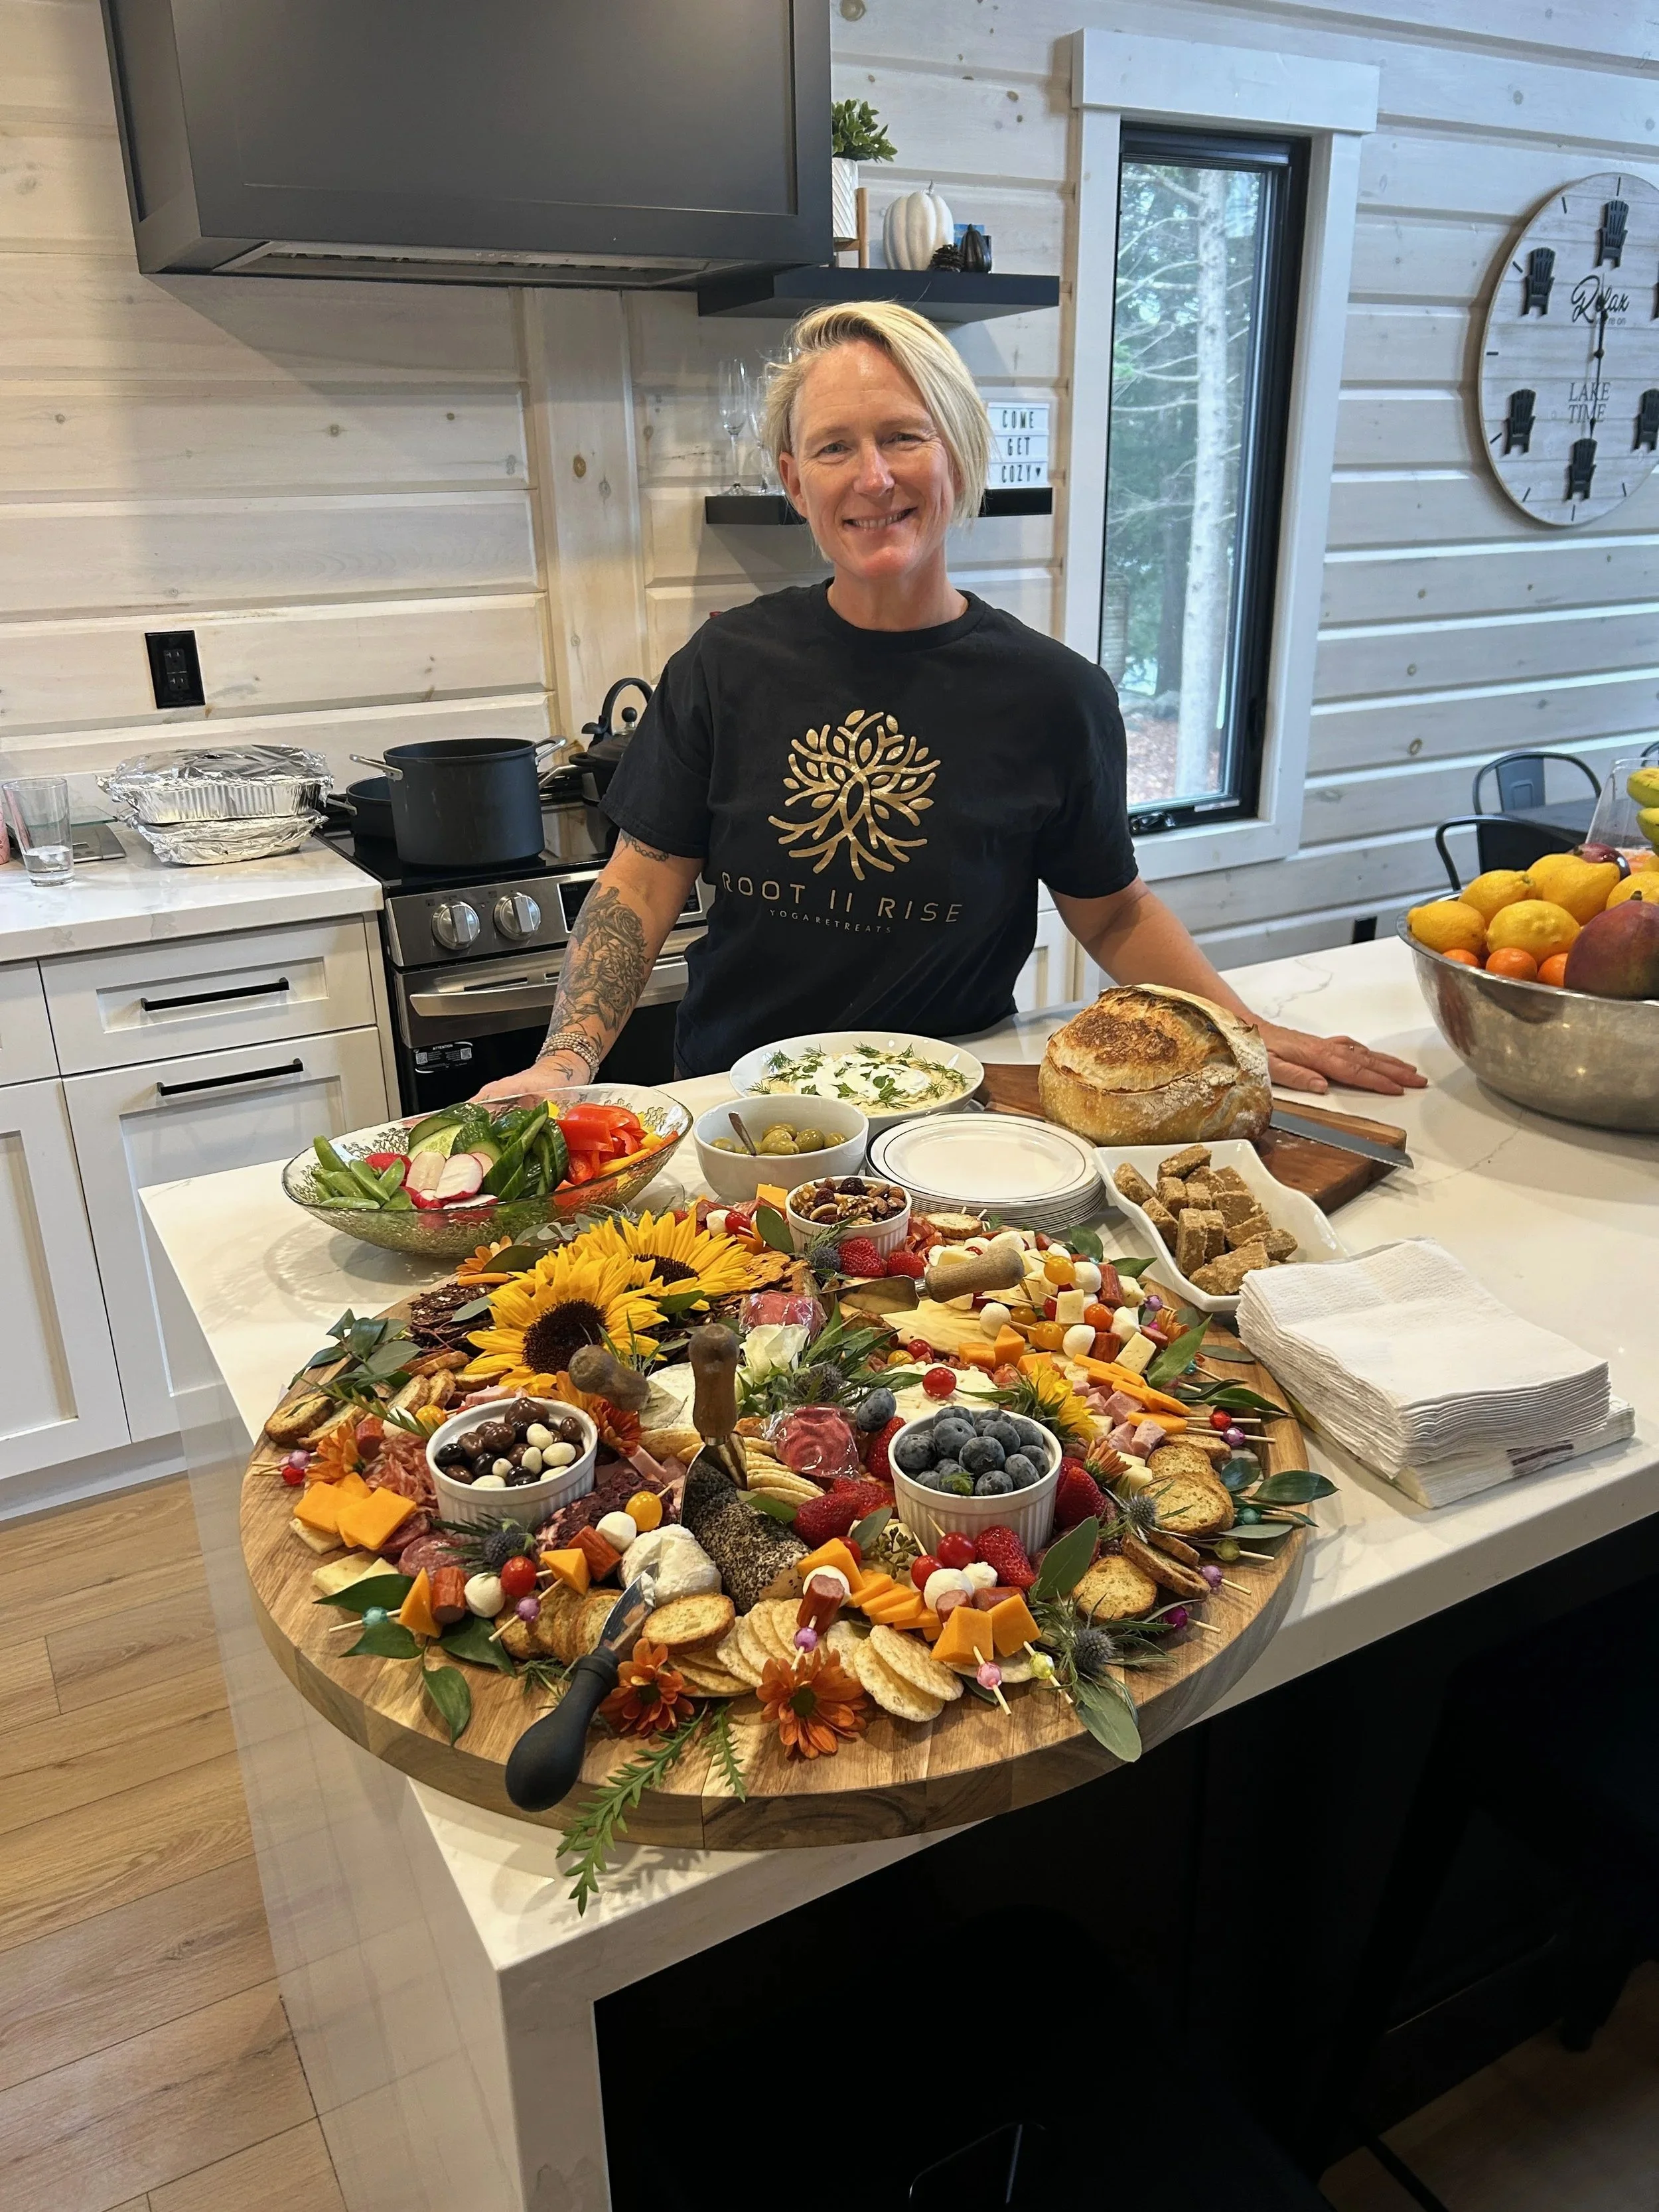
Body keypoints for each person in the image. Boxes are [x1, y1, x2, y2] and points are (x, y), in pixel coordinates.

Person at [478, 301, 1421, 1103]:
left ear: (960, 458)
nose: (874, 477)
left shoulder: (1055, 696)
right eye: (835, 448)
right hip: (743, 1107)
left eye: (903, 436)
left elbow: (1113, 911)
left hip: (956, 1104)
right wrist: (566, 1061)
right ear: (793, 479)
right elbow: (642, 880)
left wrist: (1240, 1028)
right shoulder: (725, 666)